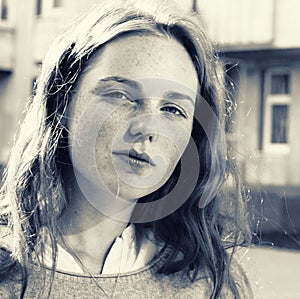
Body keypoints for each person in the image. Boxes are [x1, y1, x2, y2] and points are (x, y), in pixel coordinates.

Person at [0, 0, 252, 298]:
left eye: (172, 110)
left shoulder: (210, 282)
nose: (148, 128)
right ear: (63, 103)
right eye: (121, 95)